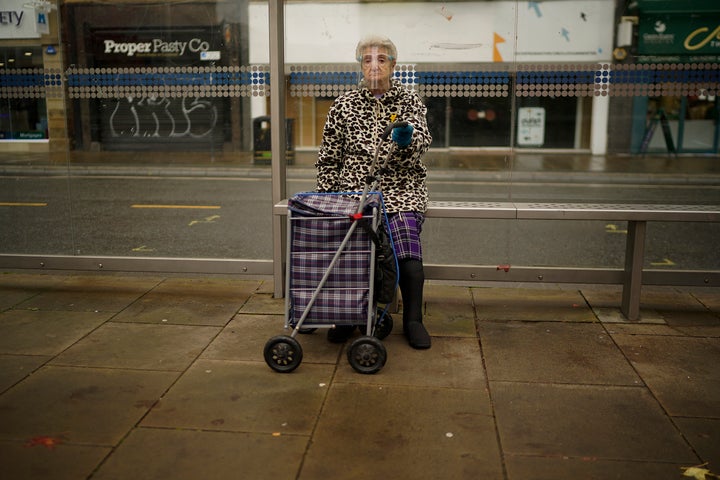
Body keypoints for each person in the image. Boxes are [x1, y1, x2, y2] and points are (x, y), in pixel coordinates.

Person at [315, 35, 432, 349]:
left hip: (400, 189)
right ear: (360, 66)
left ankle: (413, 320)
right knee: (348, 251)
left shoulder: (407, 102)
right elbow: (329, 158)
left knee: (406, 252)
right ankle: (349, 316)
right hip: (356, 192)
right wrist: (329, 199)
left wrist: (407, 139)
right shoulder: (344, 105)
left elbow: (420, 143)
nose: (374, 65)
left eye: (382, 59)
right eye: (368, 59)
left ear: (393, 65)